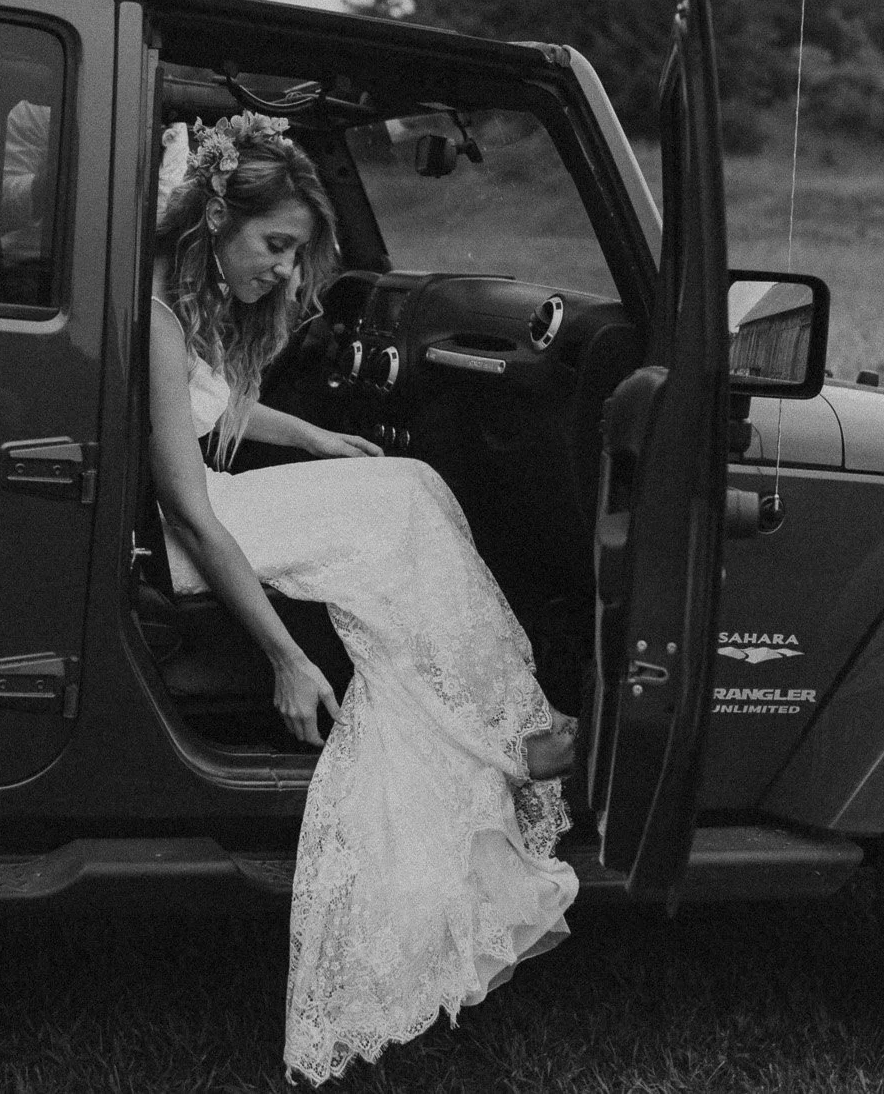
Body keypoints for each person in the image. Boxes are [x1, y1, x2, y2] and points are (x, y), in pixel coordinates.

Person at [146, 111, 579, 1084]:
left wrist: (315, 441)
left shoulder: (178, 301)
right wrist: (286, 659)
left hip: (215, 507)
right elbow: (184, 496)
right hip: (194, 533)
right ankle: (495, 729)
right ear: (216, 223)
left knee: (409, 487)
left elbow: (213, 407)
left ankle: (485, 715)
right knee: (402, 507)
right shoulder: (158, 314)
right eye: (277, 246)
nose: (286, 272)